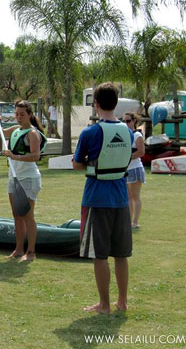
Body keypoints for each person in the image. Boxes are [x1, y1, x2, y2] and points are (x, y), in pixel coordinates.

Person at [72, 82, 134, 314]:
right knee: (121, 254)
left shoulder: (90, 132)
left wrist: (89, 162)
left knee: (99, 255)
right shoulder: (128, 131)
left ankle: (104, 305)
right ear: (116, 103)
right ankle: (123, 302)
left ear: (95, 104)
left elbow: (78, 163)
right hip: (121, 199)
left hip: (96, 199)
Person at [0, 100, 46, 262]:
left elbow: (36, 156)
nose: (19, 117)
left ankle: (31, 252)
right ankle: (18, 249)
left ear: (30, 115)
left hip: (28, 178)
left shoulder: (32, 133)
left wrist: (14, 156)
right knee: (16, 215)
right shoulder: (17, 130)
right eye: (16, 114)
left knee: (27, 215)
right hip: (14, 177)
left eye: (22, 114)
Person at [123, 112, 145, 228]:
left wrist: (128, 157)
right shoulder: (124, 134)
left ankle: (135, 222)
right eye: (124, 121)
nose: (126, 123)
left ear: (134, 121)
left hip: (135, 168)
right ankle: (129, 220)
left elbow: (141, 152)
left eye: (128, 121)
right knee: (127, 196)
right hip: (126, 169)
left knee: (134, 196)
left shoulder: (137, 135)